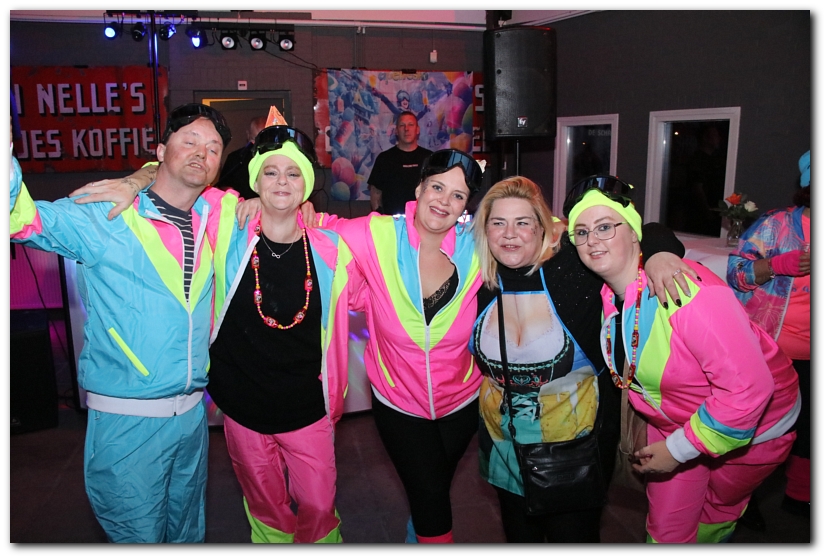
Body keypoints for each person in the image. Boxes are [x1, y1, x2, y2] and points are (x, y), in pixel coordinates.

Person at [237, 157, 694, 543]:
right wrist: (264, 202)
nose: (444, 201)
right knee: (432, 498)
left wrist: (658, 250)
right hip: (405, 407)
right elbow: (313, 226)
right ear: (420, 188)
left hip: (477, 412)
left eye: (457, 195)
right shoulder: (380, 235)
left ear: (468, 209)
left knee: (442, 496)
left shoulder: (489, 252)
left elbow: (611, 233)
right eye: (437, 187)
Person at [10, 103, 237, 543]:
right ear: (160, 151)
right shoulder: (107, 214)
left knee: (188, 538)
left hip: (192, 421)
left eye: (213, 148)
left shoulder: (214, 217)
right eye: (189, 141)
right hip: (128, 422)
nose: (201, 153)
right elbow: (19, 218)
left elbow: (276, 202)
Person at [567, 185, 800, 543]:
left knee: (714, 516)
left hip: (756, 429)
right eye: (582, 232)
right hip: (672, 422)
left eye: (605, 227)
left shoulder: (685, 289)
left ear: (634, 233)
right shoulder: (606, 296)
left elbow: (749, 390)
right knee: (666, 529)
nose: (592, 240)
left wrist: (679, 450)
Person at [469, 176, 691, 543]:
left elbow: (645, 230)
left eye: (523, 222)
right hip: (502, 448)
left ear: (544, 228)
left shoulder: (572, 267)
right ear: (485, 231)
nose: (509, 234)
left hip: (575, 453)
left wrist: (658, 254)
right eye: (498, 223)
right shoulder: (478, 278)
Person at [206, 125, 358, 543]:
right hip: (242, 407)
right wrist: (135, 179)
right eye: (270, 173)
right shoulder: (228, 228)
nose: (281, 182)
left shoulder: (331, 247)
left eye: (293, 174)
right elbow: (175, 174)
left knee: (319, 507)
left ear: (306, 185)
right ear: (255, 181)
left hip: (307, 407)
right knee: (266, 508)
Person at [727, 150, 811, 518]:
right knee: (759, 431)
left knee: (810, 431)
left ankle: (800, 497)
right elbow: (736, 273)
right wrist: (778, 264)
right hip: (772, 350)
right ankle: (741, 500)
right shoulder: (777, 225)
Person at [367, 110, 432, 215]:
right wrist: (380, 218)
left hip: (423, 221)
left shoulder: (430, 158)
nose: (406, 129)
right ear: (396, 131)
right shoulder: (384, 158)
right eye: (402, 125)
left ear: (417, 130)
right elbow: (375, 193)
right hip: (392, 221)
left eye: (411, 125)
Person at [215, 115, 268, 199]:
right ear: (248, 135)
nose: (258, 145)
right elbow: (223, 186)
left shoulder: (277, 159)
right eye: (254, 139)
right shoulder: (236, 158)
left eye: (263, 140)